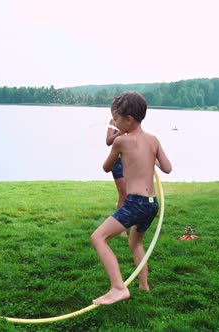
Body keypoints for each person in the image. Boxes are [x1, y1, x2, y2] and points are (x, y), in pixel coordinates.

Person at [91, 91, 172, 305]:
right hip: (152, 204)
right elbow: (167, 168)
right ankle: (144, 285)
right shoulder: (153, 140)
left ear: (128, 120)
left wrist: (118, 146)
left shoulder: (121, 142)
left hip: (135, 203)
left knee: (98, 238)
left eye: (116, 119)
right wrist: (149, 158)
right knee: (135, 243)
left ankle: (118, 288)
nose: (115, 123)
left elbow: (106, 167)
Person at [106, 114, 128, 237]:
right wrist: (119, 133)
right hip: (118, 162)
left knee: (130, 194)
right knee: (123, 194)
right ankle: (121, 228)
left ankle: (128, 220)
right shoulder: (112, 121)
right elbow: (108, 141)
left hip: (131, 162)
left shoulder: (131, 121)